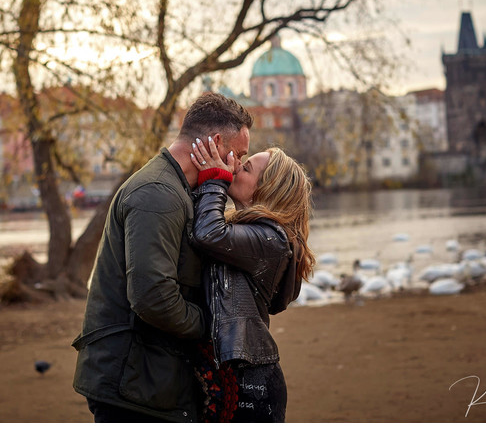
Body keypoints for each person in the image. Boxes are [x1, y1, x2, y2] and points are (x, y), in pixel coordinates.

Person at [72, 92, 253, 422]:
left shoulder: (177, 189)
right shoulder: (158, 194)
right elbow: (153, 298)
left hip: (147, 378)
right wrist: (215, 328)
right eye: (238, 154)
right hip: (133, 386)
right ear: (214, 143)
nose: (239, 166)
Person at [188, 137, 315, 422]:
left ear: (266, 189)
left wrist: (214, 180)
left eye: (244, 168)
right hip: (234, 377)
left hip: (251, 384)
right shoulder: (252, 235)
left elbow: (208, 233)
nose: (232, 166)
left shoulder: (273, 239)